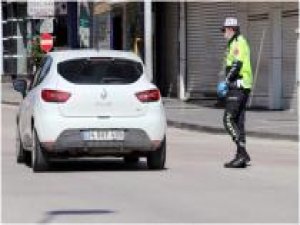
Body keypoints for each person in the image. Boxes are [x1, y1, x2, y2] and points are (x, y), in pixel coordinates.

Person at [221, 17, 253, 168]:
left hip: (239, 85)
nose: (223, 33)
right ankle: (241, 156)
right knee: (239, 122)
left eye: (225, 30)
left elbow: (237, 65)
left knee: (228, 120)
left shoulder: (239, 42)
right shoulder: (233, 42)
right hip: (239, 86)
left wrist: (226, 82)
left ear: (232, 29)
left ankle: (242, 153)